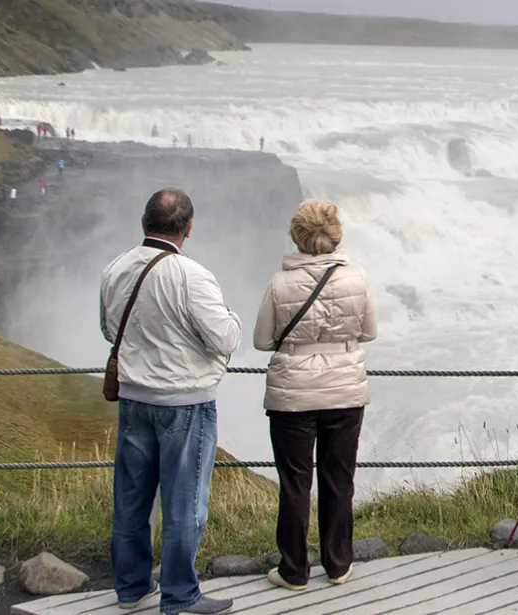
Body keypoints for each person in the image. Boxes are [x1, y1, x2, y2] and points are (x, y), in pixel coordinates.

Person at [98, 188, 241, 615]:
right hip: (184, 402)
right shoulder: (192, 276)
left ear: (144, 223)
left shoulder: (115, 269)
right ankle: (179, 595)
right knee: (183, 502)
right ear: (188, 229)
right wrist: (229, 315)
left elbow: (109, 329)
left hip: (133, 398)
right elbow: (226, 338)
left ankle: (131, 588)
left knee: (131, 497)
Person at [252, 200, 377, 592]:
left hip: (293, 394)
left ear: (297, 236)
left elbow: (261, 340)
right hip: (343, 389)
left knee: (295, 483)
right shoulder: (357, 278)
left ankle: (293, 571)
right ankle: (338, 564)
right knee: (338, 480)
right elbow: (370, 331)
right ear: (336, 234)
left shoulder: (279, 283)